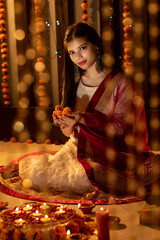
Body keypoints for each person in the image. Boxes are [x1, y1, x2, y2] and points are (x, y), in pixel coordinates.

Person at [19, 22, 159, 197]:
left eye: (82, 48)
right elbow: (69, 134)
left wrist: (81, 118)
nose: (78, 57)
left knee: (92, 179)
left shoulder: (120, 82)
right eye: (72, 52)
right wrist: (65, 122)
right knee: (39, 174)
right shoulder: (73, 84)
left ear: (96, 45)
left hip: (111, 151)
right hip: (77, 149)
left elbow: (121, 130)